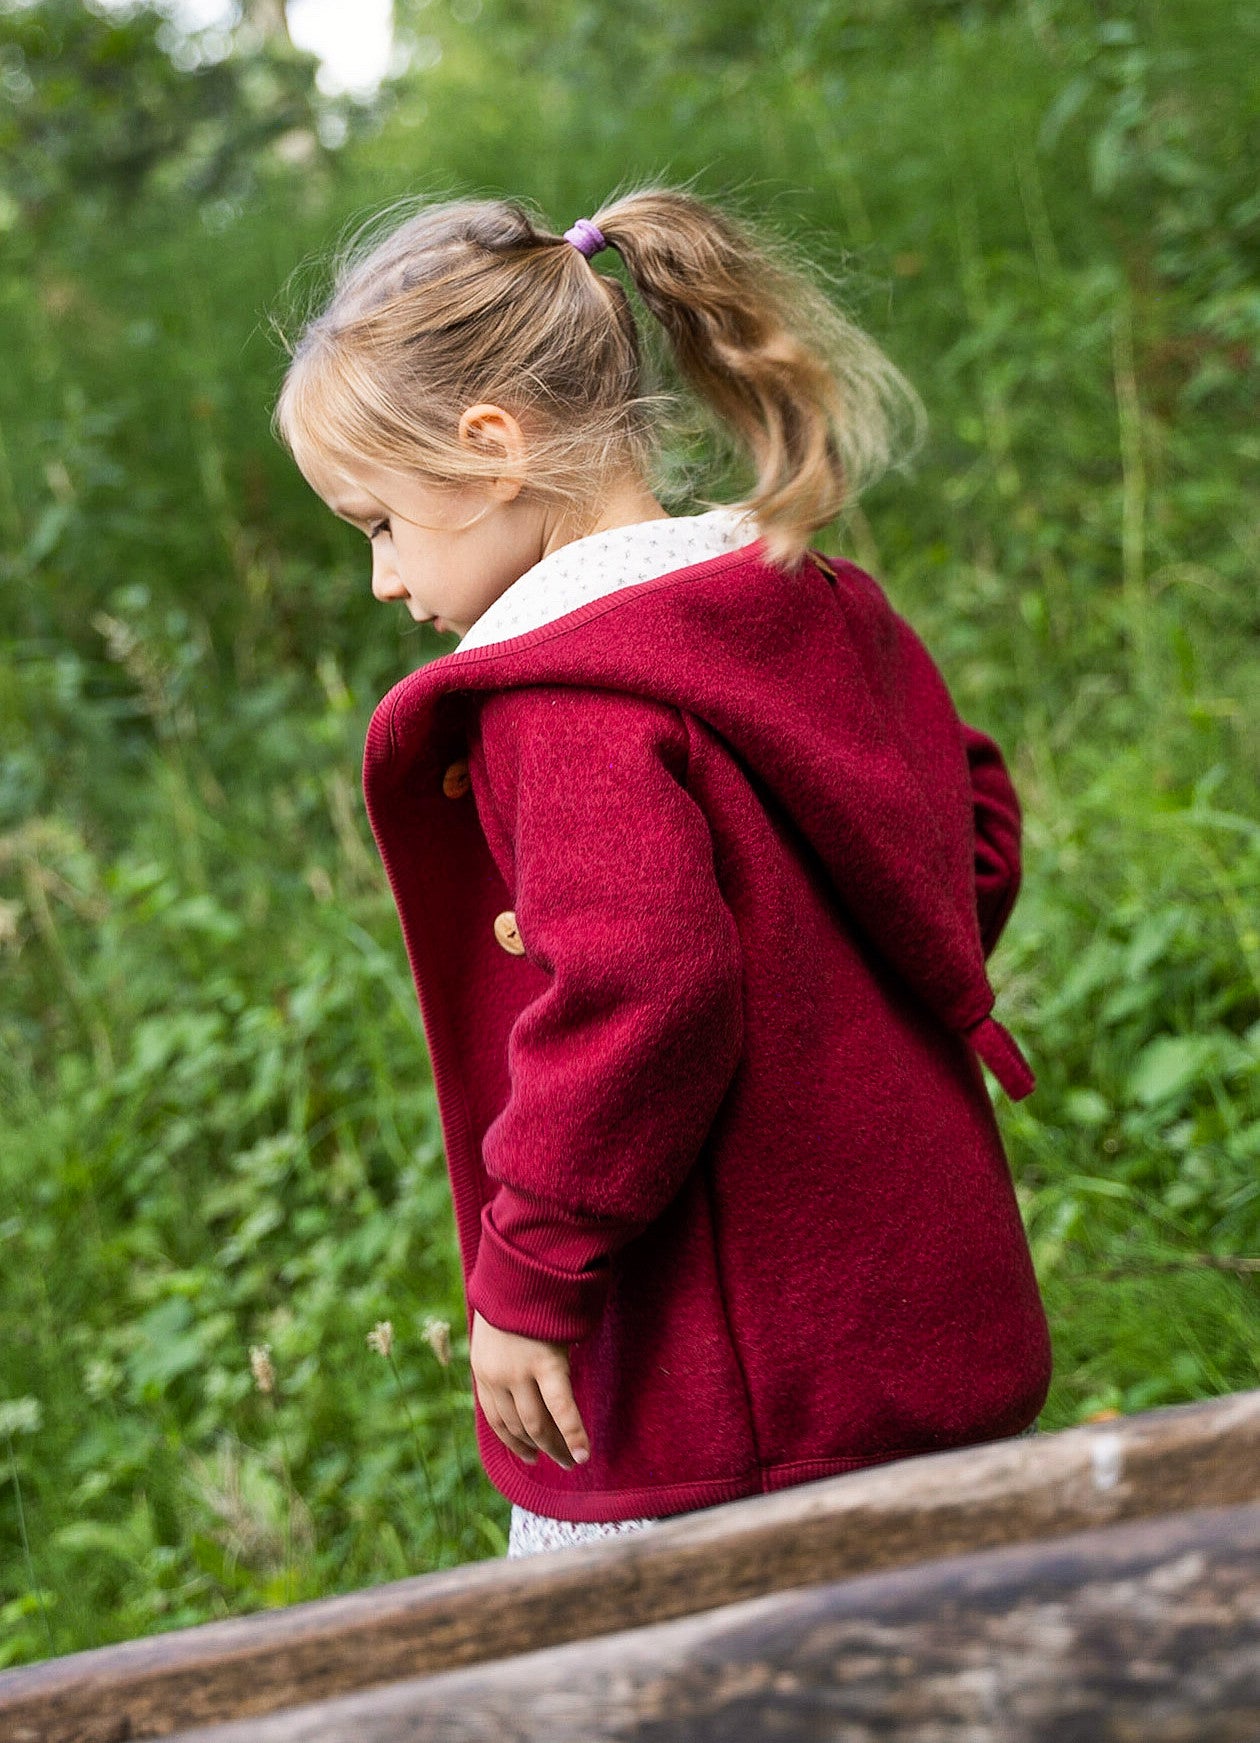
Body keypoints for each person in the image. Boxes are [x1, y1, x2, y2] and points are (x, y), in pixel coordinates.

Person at [272, 187, 1053, 1561]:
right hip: (929, 1325)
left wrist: (526, 1278)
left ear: (492, 448)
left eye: (377, 523)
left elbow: (651, 987)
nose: (385, 581)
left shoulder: (566, 701)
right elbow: (970, 827)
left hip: (725, 1415)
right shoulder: (806, 601)